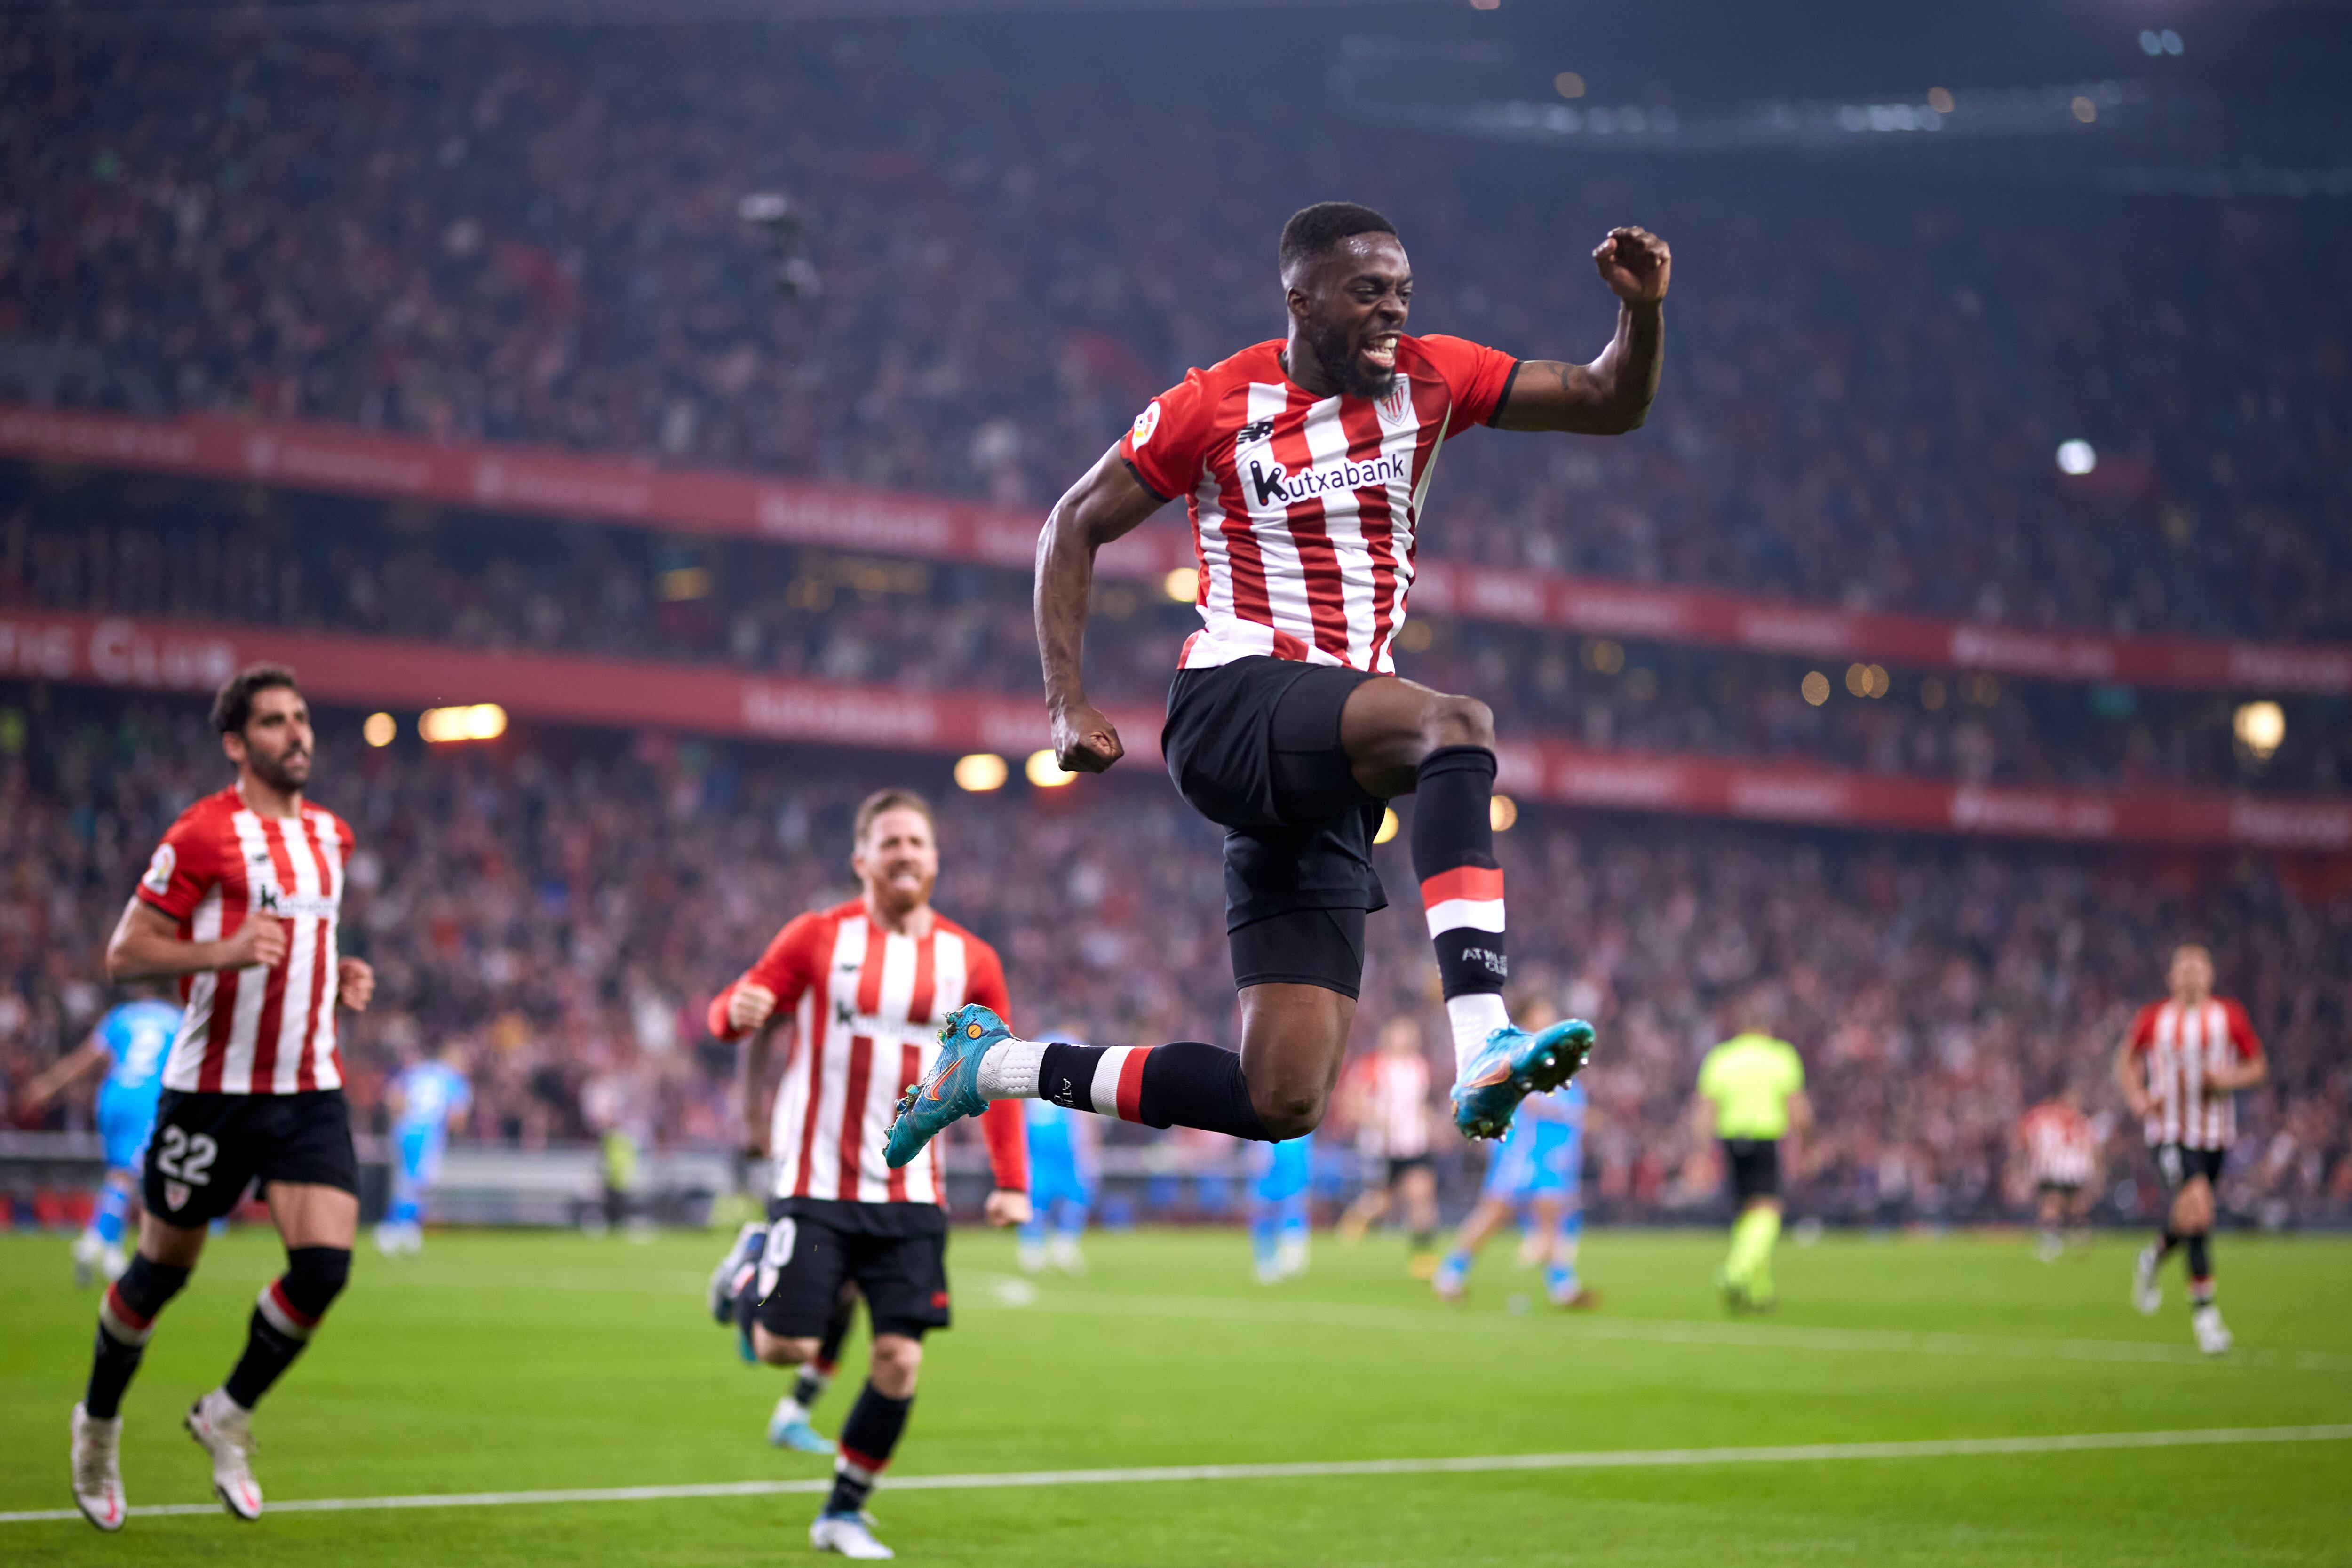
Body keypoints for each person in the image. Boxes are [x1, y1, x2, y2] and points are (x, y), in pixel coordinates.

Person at [887, 201, 1668, 1172]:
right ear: (1301, 299)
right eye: (1369, 292)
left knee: (1280, 1096)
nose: (1393, 311)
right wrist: (1065, 701)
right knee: (1456, 725)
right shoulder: (1215, 403)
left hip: (1330, 763)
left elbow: (1609, 400)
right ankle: (1482, 1036)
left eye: (1403, 293)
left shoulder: (1435, 376)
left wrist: (1642, 314)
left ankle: (993, 1066)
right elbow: (1072, 524)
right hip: (1232, 702)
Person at [69, 664, 375, 1532]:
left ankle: (228, 1412)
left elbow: (306, 938)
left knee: (324, 1268)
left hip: (309, 1088)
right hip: (212, 1092)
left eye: (304, 717)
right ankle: (96, 1423)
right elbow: (126, 954)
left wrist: (336, 972)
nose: (298, 734)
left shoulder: (332, 837)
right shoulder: (204, 833)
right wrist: (227, 949)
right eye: (276, 722)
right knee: (162, 1272)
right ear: (238, 743)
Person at [705, 789, 1030, 1560]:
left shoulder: (972, 959)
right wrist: (732, 1010)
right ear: (862, 859)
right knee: (784, 1347)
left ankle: (843, 1509)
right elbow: (735, 1008)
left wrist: (1012, 1179)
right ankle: (752, 1266)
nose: (905, 853)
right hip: (818, 1183)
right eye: (890, 842)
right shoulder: (818, 937)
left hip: (914, 1193)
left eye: (917, 841)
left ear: (936, 857)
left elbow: (1002, 1072)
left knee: (900, 1357)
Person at [2116, 942, 2266, 1356]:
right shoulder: (2154, 1019)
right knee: (2199, 1210)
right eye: (2183, 968)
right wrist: (2137, 1097)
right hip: (2168, 1130)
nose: (2190, 974)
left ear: (2211, 975)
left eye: (2198, 967)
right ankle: (2206, 1318)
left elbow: (2257, 1066)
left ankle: (2152, 1256)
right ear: (2171, 977)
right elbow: (2126, 1058)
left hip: (2216, 1135)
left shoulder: (2229, 1017)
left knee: (2189, 1216)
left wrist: (2227, 1080)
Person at [1433, 998, 1595, 1309]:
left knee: (1550, 1216)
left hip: (1547, 1155)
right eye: (1542, 1013)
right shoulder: (1518, 1053)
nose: (1549, 1020)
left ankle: (1564, 1288)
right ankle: (1450, 1273)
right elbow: (1533, 1102)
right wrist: (1566, 1113)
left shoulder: (1553, 1054)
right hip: (1520, 1151)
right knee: (1494, 1213)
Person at [20, 990, 179, 1287]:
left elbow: (85, 1059)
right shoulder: (177, 1021)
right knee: (128, 1175)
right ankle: (95, 1243)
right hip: (147, 1098)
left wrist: (48, 1084)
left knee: (124, 1174)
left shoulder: (122, 1016)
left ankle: (107, 1247)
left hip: (113, 1095)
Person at [1690, 1018, 1809, 1312]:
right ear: (1766, 1028)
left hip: (1730, 1140)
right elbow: (1798, 1109)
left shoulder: (1722, 1058)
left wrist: (1701, 1153)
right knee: (1768, 1211)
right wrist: (1806, 1146)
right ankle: (1736, 1272)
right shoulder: (1780, 1056)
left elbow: (1704, 1111)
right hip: (1765, 1138)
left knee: (1746, 1214)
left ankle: (1759, 1291)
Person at [1334, 1016, 1439, 1275]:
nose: (1408, 1038)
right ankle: (1358, 1217)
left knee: (1422, 1195)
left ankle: (1422, 1258)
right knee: (1383, 1201)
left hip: (1414, 1145)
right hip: (1382, 1147)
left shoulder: (1419, 1067)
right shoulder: (1372, 1066)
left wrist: (1431, 1122)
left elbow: (1422, 1104)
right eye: (1402, 1032)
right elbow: (1350, 1103)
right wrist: (1374, 1119)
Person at [374, 1040, 472, 1256]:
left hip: (404, 1130)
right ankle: (390, 1229)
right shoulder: (455, 1079)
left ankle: (409, 1230)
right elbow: (458, 1117)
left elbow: (394, 1094)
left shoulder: (421, 1070)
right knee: (416, 1184)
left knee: (409, 1182)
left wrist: (400, 1120)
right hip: (427, 1135)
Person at [1017, 1082, 1097, 1276]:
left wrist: (1088, 1147)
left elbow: (1084, 1111)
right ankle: (1032, 1248)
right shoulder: (1031, 1078)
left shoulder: (1073, 1079)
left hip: (1068, 1150)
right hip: (1039, 1151)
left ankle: (1065, 1245)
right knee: (1037, 1197)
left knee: (1077, 1195)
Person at [2015, 1083, 2101, 1262]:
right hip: (2068, 1167)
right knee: (2065, 1204)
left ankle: (2054, 1239)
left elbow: (2026, 1140)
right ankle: (2076, 1238)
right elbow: (2086, 1143)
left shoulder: (2040, 1117)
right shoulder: (2074, 1119)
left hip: (2052, 1167)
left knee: (2055, 1204)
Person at [1248, 1134, 1315, 1284]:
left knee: (1293, 1212)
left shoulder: (1301, 1131)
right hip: (1267, 1174)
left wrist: (1306, 1181)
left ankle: (1293, 1257)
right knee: (1264, 1216)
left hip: (1292, 1175)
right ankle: (1265, 1262)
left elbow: (1307, 1156)